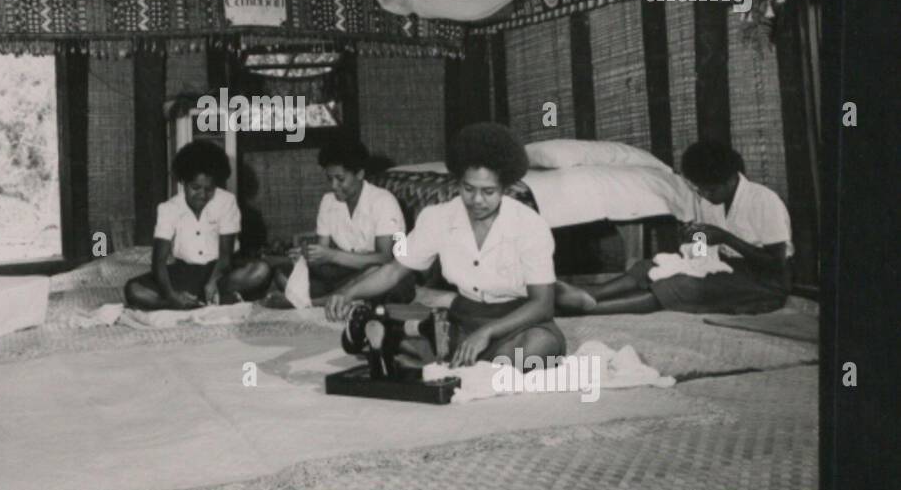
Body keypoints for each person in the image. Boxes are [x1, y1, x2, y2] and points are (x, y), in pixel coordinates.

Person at [325, 122, 565, 370]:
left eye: (489, 192)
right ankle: (447, 357)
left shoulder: (530, 225)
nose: (477, 200)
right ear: (458, 182)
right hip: (463, 318)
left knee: (538, 348)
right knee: (429, 335)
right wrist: (348, 293)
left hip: (517, 322)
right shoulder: (436, 218)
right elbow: (395, 269)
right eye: (468, 189)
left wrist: (487, 333)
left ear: (505, 188)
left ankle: (438, 357)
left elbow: (542, 304)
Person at [554, 140, 792, 316]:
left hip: (764, 281)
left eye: (710, 190)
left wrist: (726, 238)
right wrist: (693, 242)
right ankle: (589, 293)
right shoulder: (710, 200)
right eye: (699, 190)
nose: (704, 196)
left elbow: (775, 264)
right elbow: (703, 248)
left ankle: (587, 310)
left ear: (731, 179)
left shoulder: (763, 201)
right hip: (723, 265)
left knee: (678, 286)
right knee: (650, 266)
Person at [123, 140, 271, 310]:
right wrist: (171, 295)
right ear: (183, 183)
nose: (202, 195)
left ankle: (205, 297)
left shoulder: (226, 202)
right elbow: (159, 261)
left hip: (220, 271)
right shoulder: (168, 209)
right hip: (183, 273)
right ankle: (189, 303)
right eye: (195, 188)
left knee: (261, 270)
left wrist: (212, 282)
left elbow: (225, 256)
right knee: (133, 289)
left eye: (209, 189)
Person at [287, 138, 414, 303]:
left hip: (383, 273)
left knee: (385, 279)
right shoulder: (328, 201)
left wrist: (332, 256)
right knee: (285, 274)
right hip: (344, 273)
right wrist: (307, 255)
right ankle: (335, 295)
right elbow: (323, 251)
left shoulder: (385, 201)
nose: (333, 186)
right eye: (329, 178)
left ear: (360, 174)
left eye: (340, 179)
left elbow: (388, 258)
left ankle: (323, 300)